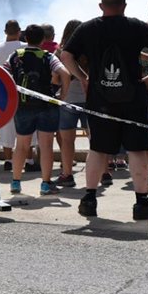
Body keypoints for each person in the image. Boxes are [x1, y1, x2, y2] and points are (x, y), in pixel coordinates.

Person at [60, 0, 148, 220]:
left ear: (101, 6)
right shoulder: (135, 26)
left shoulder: (88, 28)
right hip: (133, 99)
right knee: (137, 149)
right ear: (124, 5)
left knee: (98, 149)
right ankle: (141, 203)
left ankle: (89, 199)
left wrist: (83, 78)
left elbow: (66, 55)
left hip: (100, 98)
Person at [5, 24, 70, 196]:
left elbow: (3, 75)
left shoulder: (15, 56)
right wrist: (62, 97)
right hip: (47, 105)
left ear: (25, 39)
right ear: (43, 40)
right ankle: (45, 184)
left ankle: (16, 183)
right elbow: (65, 74)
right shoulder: (48, 56)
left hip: (23, 106)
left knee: (21, 146)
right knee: (46, 146)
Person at [55, 19, 86, 187]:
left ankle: (67, 174)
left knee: (67, 140)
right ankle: (104, 172)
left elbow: (54, 77)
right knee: (95, 138)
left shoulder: (60, 52)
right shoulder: (89, 49)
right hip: (90, 99)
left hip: (67, 100)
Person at [0, 20, 26, 170]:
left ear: (5, 31)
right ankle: (29, 159)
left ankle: (8, 159)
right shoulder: (25, 47)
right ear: (19, 31)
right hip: (23, 88)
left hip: (4, 89)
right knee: (26, 124)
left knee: (7, 126)